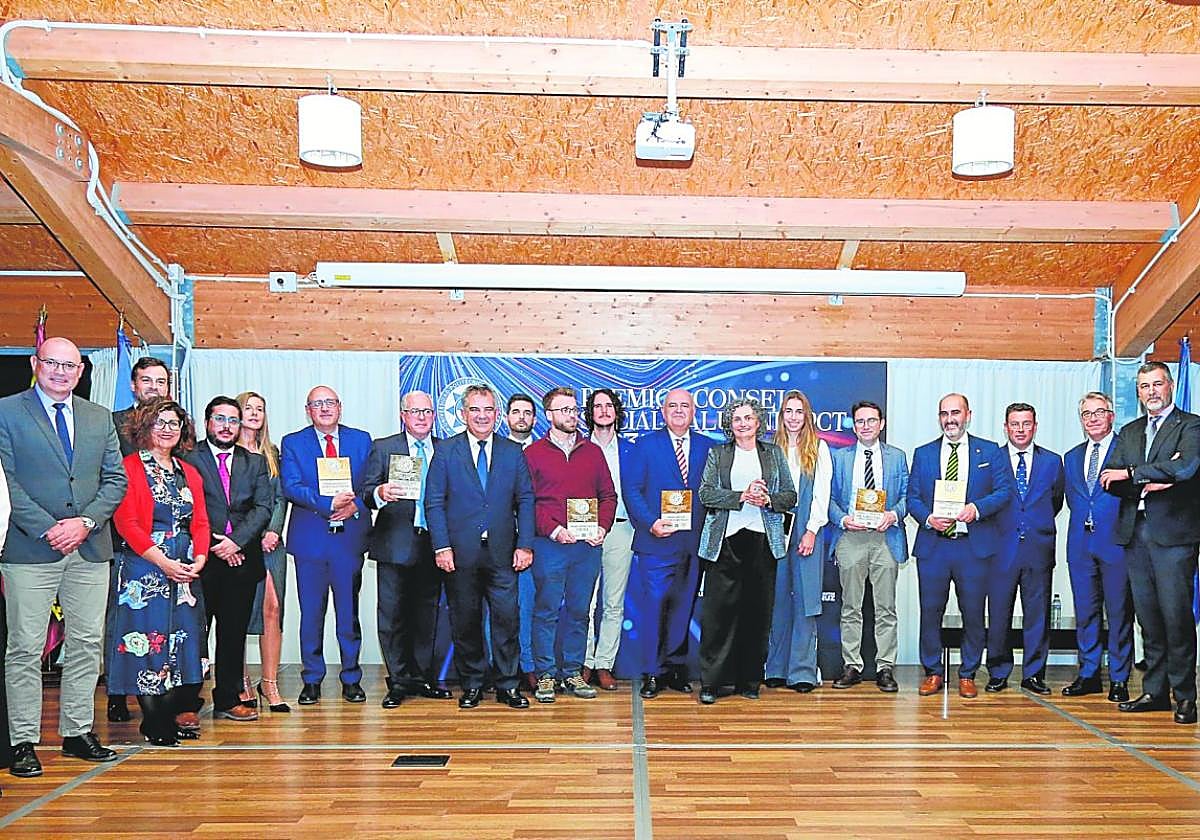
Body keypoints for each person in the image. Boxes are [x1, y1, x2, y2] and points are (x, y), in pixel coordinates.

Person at [0, 337, 127, 778]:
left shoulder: (99, 417)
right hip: (29, 547)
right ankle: (21, 741)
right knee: (25, 648)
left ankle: (77, 732)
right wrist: (49, 527)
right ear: (36, 364)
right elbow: (6, 482)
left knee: (87, 645)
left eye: (69, 365)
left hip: (89, 548)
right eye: (51, 363)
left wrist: (85, 523)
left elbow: (115, 480)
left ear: (80, 372)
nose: (60, 372)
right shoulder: (7, 411)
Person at [1100, 362, 1200, 725]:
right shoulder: (1128, 432)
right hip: (1135, 533)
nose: (1151, 392)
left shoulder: (1191, 426)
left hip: (1174, 537)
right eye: (1144, 386)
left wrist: (1135, 473)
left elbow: (1186, 467)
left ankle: (1185, 697)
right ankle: (1155, 692)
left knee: (1176, 618)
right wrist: (1156, 475)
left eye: (1157, 384)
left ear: (1170, 386)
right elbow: (1109, 480)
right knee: (1149, 620)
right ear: (1138, 392)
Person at [425, 383, 535, 710]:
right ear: (463, 414)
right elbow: (434, 502)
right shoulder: (446, 451)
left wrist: (525, 544)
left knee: (506, 622)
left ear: (497, 415)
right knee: (465, 622)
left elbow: (526, 500)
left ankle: (507, 686)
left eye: (488, 410)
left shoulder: (513, 452)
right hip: (460, 555)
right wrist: (441, 547)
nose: (482, 416)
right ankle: (472, 684)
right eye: (475, 410)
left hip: (503, 553)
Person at [109, 398, 210, 746]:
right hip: (143, 569)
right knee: (145, 643)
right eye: (160, 422)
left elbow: (200, 522)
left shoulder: (189, 472)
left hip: (184, 569)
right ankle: (153, 720)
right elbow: (127, 523)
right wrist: (163, 562)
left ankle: (167, 713)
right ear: (145, 427)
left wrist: (198, 559)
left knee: (181, 641)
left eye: (174, 423)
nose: (168, 429)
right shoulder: (129, 467)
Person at [907, 393, 1013, 699]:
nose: (949, 419)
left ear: (968, 415)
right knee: (930, 612)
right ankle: (933, 671)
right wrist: (927, 518)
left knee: (973, 613)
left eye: (955, 412)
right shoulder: (924, 453)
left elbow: (1004, 492)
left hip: (973, 546)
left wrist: (976, 509)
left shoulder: (990, 451)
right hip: (934, 547)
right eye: (944, 413)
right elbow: (913, 496)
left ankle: (967, 673)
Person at [696, 398, 796, 704]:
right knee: (718, 616)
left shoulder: (774, 453)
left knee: (756, 615)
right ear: (730, 424)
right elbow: (705, 493)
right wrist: (742, 496)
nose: (742, 423)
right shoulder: (718, 453)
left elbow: (790, 496)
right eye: (736, 419)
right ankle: (712, 683)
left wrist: (767, 501)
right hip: (724, 542)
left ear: (758, 422)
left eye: (748, 418)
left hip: (762, 542)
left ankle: (749, 680)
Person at [182, 397, 273, 724]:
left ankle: (227, 698)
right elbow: (189, 507)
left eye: (233, 420)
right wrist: (217, 543)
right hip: (200, 560)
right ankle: (186, 701)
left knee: (233, 633)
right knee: (194, 633)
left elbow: (263, 508)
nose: (226, 426)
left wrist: (236, 541)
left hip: (242, 559)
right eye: (219, 419)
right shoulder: (188, 460)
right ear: (207, 423)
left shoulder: (255, 462)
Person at [524, 387, 617, 703]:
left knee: (580, 611)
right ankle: (546, 675)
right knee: (547, 611)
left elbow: (608, 496)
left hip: (586, 548)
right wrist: (554, 531)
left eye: (574, 409)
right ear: (549, 415)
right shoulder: (533, 454)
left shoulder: (592, 453)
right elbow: (526, 503)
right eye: (564, 410)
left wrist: (602, 527)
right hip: (550, 546)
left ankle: (573, 672)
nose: (572, 415)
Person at [280, 386, 372, 706]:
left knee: (349, 614)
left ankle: (351, 678)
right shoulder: (293, 443)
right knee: (312, 614)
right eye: (317, 404)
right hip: (311, 542)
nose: (324, 408)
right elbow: (291, 486)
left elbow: (370, 484)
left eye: (329, 402)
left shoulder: (361, 440)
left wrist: (355, 504)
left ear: (339, 407)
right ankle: (312, 679)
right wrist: (326, 502)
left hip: (348, 540)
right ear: (308, 410)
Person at [362, 390, 453, 709]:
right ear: (403, 414)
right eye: (415, 411)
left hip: (435, 544)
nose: (421, 417)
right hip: (395, 542)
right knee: (393, 616)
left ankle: (422, 676)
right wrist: (381, 492)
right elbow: (365, 492)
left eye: (427, 411)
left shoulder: (446, 449)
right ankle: (398, 681)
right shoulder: (384, 447)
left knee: (426, 615)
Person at [623, 388, 714, 699]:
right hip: (657, 542)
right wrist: (651, 523)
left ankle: (676, 669)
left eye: (684, 406)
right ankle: (652, 671)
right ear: (662, 412)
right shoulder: (646, 445)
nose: (678, 411)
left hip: (693, 543)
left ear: (693, 412)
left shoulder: (708, 447)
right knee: (655, 608)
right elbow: (632, 490)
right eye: (672, 406)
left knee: (683, 607)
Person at [827, 400, 909, 693]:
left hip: (885, 538)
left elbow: (907, 496)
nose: (866, 426)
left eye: (871, 420)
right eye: (860, 421)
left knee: (886, 607)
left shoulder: (897, 457)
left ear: (881, 423)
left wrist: (894, 514)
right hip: (851, 538)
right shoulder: (839, 457)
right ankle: (852, 666)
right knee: (851, 606)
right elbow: (829, 500)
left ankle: (885, 667)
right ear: (853, 425)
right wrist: (844, 519)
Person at [985, 403, 1065, 695]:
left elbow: (1055, 502)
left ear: (1035, 426)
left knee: (1038, 614)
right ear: (1005, 427)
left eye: (1026, 423)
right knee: (998, 614)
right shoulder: (991, 459)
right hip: (1000, 548)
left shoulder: (1053, 462)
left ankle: (1033, 673)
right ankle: (998, 670)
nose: (1020, 429)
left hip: (1038, 548)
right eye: (1015, 424)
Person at [107, 356, 170, 722]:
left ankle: (161, 693)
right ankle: (117, 692)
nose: (153, 388)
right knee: (120, 620)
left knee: (160, 623)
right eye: (147, 381)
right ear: (133, 386)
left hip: (168, 543)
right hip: (123, 539)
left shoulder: (175, 425)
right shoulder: (113, 425)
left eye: (160, 382)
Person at [1062, 392, 1132, 703]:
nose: (1092, 418)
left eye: (1098, 412)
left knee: (1118, 613)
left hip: (1116, 544)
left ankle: (1119, 677)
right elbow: (1068, 500)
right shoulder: (1072, 456)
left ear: (1111, 416)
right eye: (1086, 414)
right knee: (1086, 612)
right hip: (1080, 545)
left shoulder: (1127, 451)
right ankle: (1089, 673)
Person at [764, 390, 832, 693]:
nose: (793, 417)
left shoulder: (819, 448)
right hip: (774, 533)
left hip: (807, 531)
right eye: (788, 411)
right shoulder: (768, 448)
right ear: (781, 416)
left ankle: (802, 671)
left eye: (799, 411)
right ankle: (775, 667)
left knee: (806, 603)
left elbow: (822, 494)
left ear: (807, 416)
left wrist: (811, 529)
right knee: (776, 602)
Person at [236, 391, 291, 712]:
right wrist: (248, 535)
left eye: (260, 409)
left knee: (273, 609)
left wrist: (273, 530)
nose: (254, 413)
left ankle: (269, 683)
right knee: (238, 614)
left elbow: (280, 498)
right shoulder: (226, 452)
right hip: (238, 546)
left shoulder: (271, 452)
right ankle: (240, 682)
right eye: (248, 408)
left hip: (271, 544)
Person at [582, 388, 636, 691]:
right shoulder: (576, 448)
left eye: (609, 406)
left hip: (621, 529)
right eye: (598, 406)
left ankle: (605, 663)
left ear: (617, 412)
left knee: (613, 603)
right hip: (584, 532)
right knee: (585, 603)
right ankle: (586, 661)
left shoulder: (630, 449)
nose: (603, 411)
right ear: (590, 413)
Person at [505, 392, 538, 690]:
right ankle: (498, 667)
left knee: (527, 606)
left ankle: (527, 666)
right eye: (516, 412)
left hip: (534, 539)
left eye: (527, 413)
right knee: (497, 609)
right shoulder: (496, 451)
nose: (522, 418)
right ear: (506, 417)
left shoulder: (541, 451)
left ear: (535, 419)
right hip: (498, 539)